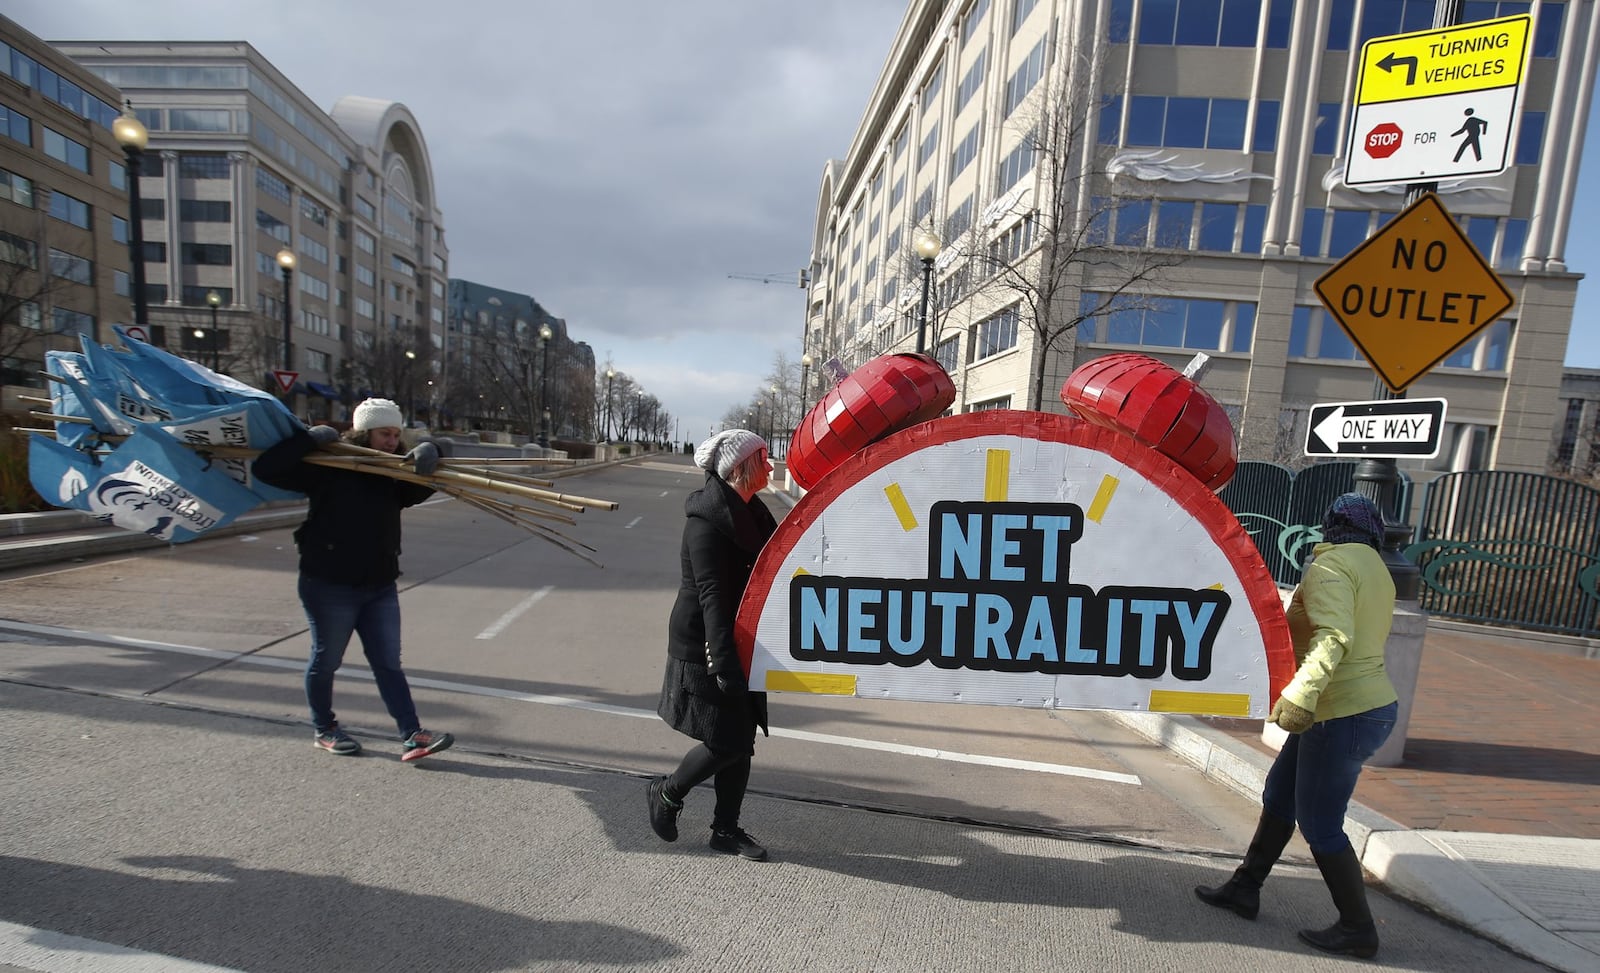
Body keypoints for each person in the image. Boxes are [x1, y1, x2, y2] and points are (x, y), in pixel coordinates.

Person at [1194, 492, 1399, 958]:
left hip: (1340, 711)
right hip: (1361, 708)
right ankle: (1246, 887)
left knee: (1320, 823)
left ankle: (1358, 929)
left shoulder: (1330, 566)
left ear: (1332, 526)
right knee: (1281, 795)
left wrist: (1301, 698)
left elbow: (1334, 637)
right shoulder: (1375, 568)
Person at [252, 397, 455, 763]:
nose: (392, 441)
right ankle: (325, 728)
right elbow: (266, 469)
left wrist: (435, 450)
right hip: (328, 583)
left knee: (388, 662)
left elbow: (423, 484)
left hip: (379, 586)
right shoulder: (329, 465)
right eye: (384, 434)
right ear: (364, 433)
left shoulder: (395, 474)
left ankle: (412, 735)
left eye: (396, 434)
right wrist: (309, 441)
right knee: (326, 660)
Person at [646, 429, 778, 861]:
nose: (772, 465)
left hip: (743, 640)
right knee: (726, 742)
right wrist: (722, 662)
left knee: (741, 741)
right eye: (763, 457)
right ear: (740, 468)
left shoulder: (754, 513)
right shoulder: (706, 522)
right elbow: (711, 597)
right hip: (706, 642)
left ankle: (725, 830)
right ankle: (667, 793)